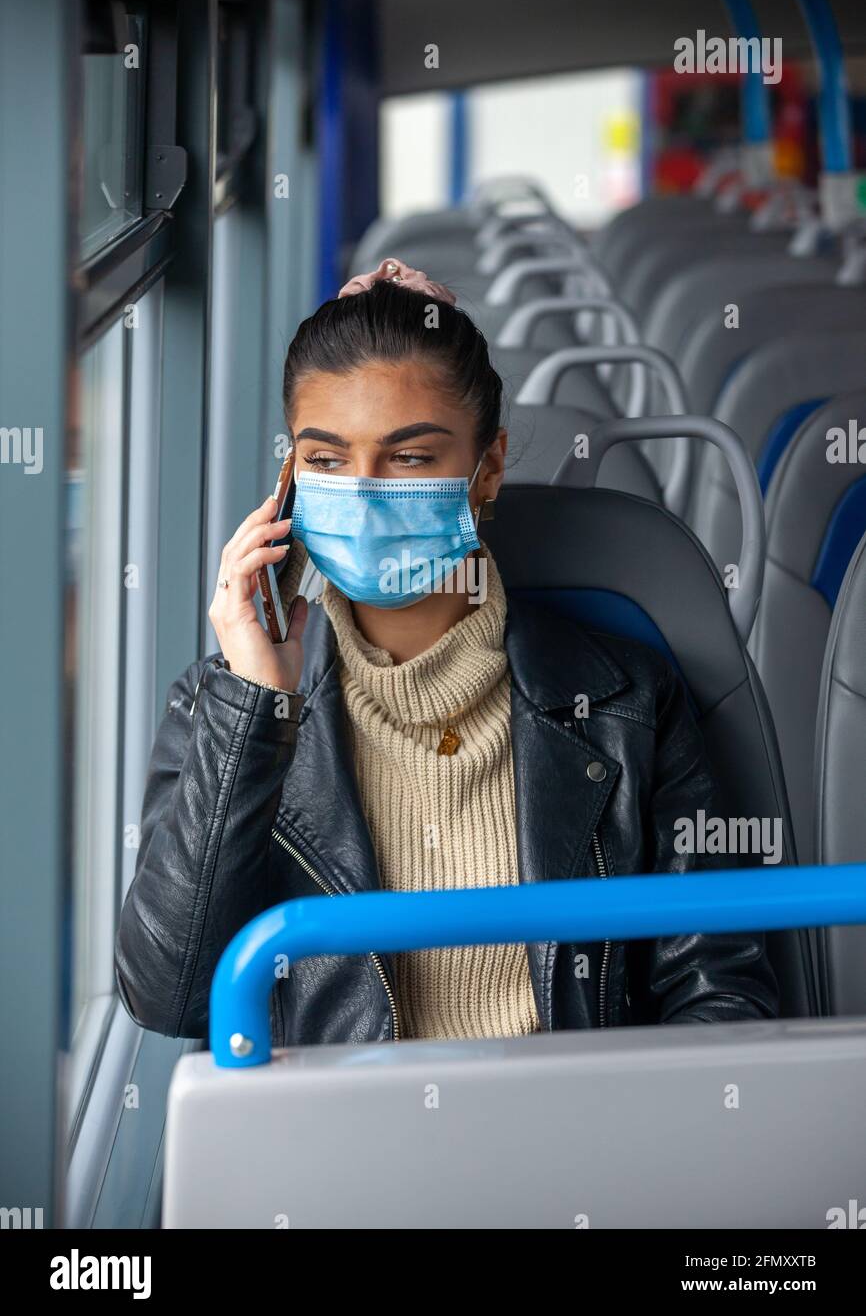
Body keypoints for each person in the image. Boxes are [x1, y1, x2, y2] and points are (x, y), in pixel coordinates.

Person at [114, 257, 779, 1047]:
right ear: (289, 482)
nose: (362, 491)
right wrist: (260, 709)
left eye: (409, 457)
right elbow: (168, 994)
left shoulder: (627, 702)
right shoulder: (220, 710)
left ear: (488, 467)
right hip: (343, 1152)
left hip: (579, 1143)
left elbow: (719, 991)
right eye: (327, 460)